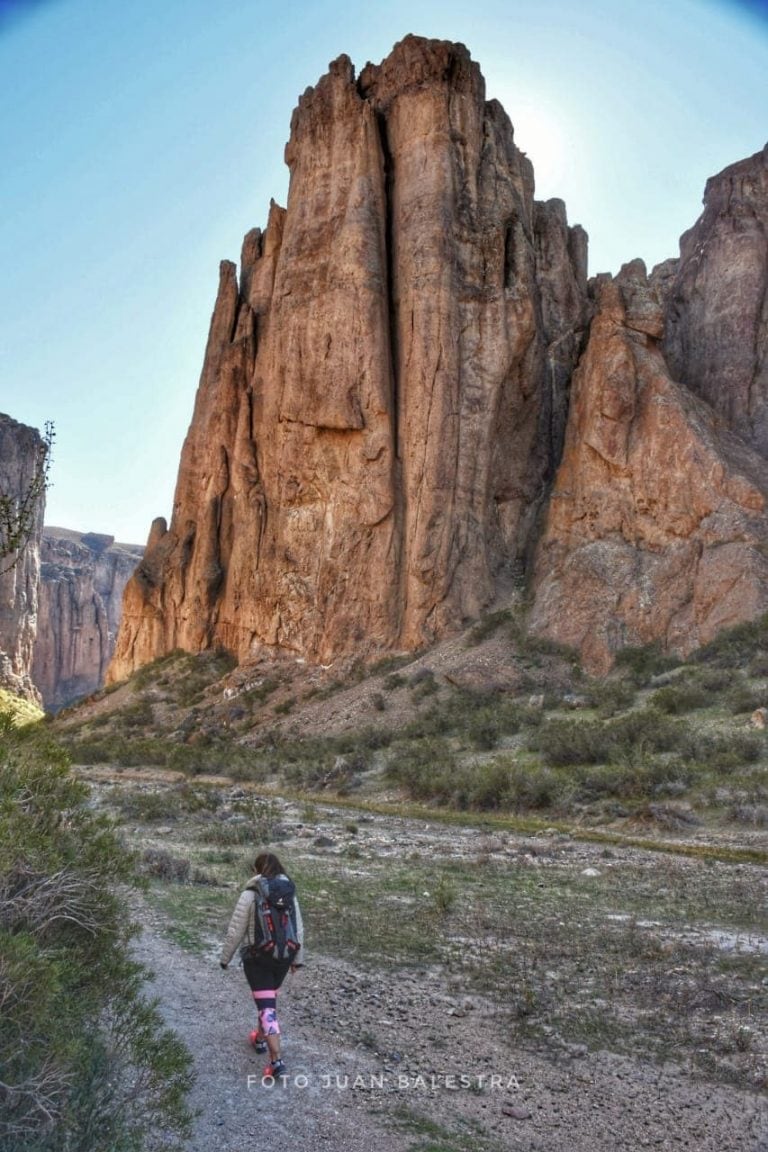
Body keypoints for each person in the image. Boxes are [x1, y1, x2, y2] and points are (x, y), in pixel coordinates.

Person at [219, 851, 305, 1079]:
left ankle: (276, 1061)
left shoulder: (251, 893)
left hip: (258, 958)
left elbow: (236, 928)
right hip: (283, 957)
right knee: (267, 1000)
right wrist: (297, 959)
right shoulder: (289, 893)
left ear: (256, 870)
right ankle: (259, 1039)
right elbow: (298, 928)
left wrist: (225, 958)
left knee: (267, 1008)